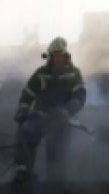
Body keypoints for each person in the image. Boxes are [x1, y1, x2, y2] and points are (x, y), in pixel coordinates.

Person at [12, 36, 88, 186]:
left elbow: (79, 96)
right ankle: (23, 173)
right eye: (54, 55)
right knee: (25, 133)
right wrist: (23, 110)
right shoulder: (40, 73)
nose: (57, 58)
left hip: (61, 117)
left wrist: (67, 110)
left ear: (65, 55)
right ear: (50, 56)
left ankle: (55, 182)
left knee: (55, 147)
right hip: (40, 115)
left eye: (60, 55)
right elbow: (28, 94)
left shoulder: (74, 73)